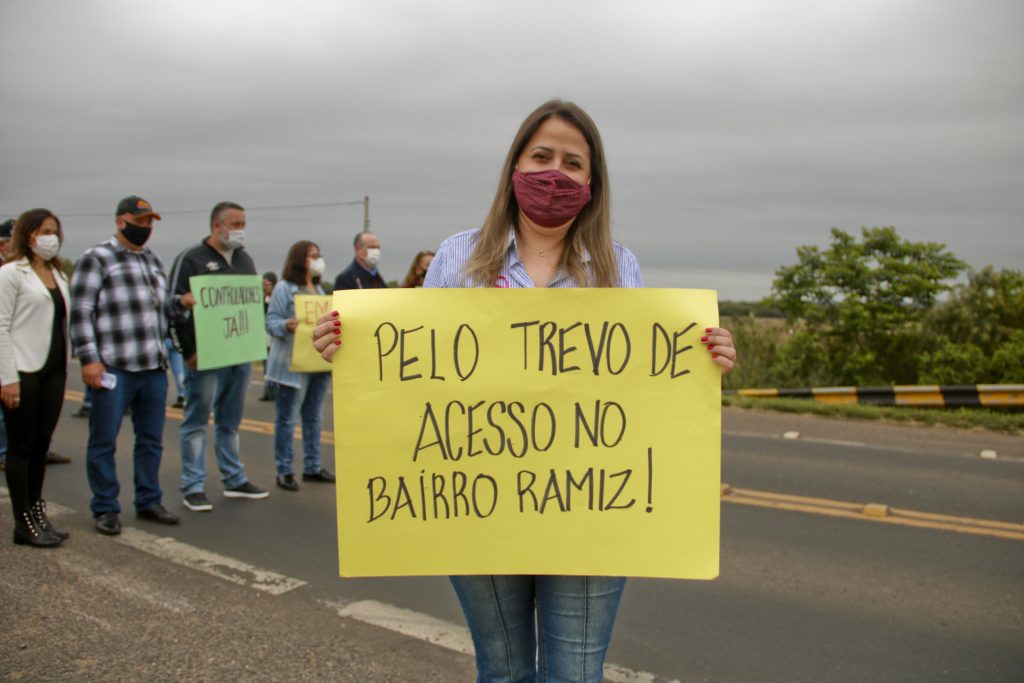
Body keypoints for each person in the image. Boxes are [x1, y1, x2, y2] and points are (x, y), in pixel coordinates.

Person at [313, 100, 737, 681]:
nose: (555, 172)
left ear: (592, 182)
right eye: (542, 156)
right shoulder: (458, 256)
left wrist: (704, 357)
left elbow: (645, 384)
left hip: (591, 510)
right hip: (478, 503)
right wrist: (348, 346)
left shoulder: (617, 266)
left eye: (573, 162)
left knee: (576, 675)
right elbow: (411, 372)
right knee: (504, 671)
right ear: (515, 165)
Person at [70, 196, 180, 535]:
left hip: (152, 367)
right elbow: (81, 312)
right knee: (104, 440)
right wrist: (89, 359)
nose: (145, 227)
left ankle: (148, 500)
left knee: (151, 441)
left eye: (149, 222)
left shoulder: (152, 260)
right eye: (140, 220)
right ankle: (105, 506)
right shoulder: (96, 258)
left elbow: (163, 307)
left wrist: (185, 302)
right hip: (113, 367)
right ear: (121, 221)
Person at [167, 201, 268, 512]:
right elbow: (171, 306)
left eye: (243, 224)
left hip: (238, 355)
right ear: (216, 226)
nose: (240, 230)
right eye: (235, 224)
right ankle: (193, 485)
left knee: (230, 421)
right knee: (196, 421)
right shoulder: (191, 259)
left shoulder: (244, 260)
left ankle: (234, 478)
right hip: (206, 357)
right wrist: (188, 351)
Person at [0, 209, 71, 546]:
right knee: (21, 446)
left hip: (54, 368)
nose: (51, 237)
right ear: (28, 235)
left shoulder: (58, 273)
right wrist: (7, 378)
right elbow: (0, 327)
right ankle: (22, 522)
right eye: (44, 231)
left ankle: (37, 511)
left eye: (54, 231)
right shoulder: (12, 273)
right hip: (23, 369)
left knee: (42, 443)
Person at [264, 241, 334, 491]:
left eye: (319, 255)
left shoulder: (319, 291)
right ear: (299, 259)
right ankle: (284, 470)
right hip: (290, 366)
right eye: (313, 255)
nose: (318, 259)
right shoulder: (285, 288)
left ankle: (312, 466)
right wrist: (286, 325)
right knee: (287, 420)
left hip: (317, 364)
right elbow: (270, 321)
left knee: (313, 418)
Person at [258, 271, 278, 402]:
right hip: (265, 340)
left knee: (274, 366)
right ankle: (268, 391)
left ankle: (274, 390)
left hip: (275, 340)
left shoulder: (276, 300)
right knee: (266, 367)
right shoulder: (262, 300)